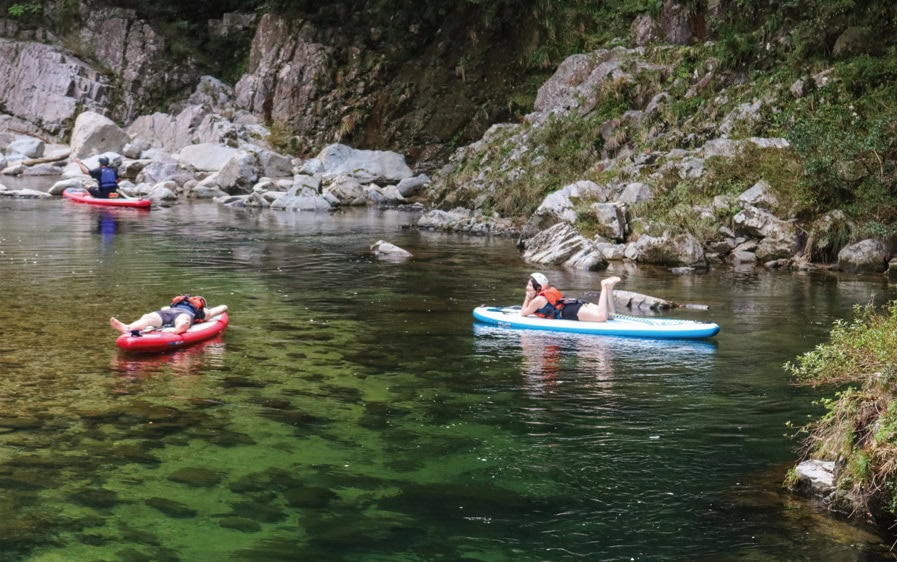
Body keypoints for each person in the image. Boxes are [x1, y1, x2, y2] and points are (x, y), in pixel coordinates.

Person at [521, 272, 620, 322]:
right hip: (575, 304)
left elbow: (523, 313)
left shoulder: (538, 300)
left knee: (602, 317)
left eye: (529, 285)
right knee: (610, 316)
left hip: (570, 311)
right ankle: (609, 289)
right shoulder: (544, 295)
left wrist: (527, 298)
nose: (527, 288)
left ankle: (604, 287)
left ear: (538, 287)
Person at [110, 295, 228, 336]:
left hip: (169, 312)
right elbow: (223, 307)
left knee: (148, 317)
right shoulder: (203, 312)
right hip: (181, 314)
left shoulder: (177, 303)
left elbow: (164, 308)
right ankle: (127, 328)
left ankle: (128, 327)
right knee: (183, 319)